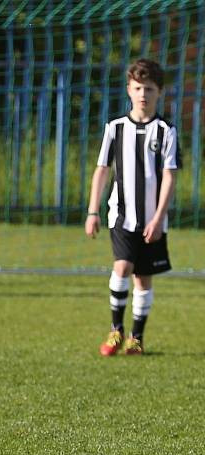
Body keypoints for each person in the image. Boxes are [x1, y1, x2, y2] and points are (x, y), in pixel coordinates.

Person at [86, 58, 180, 356]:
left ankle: (136, 338)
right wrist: (92, 211)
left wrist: (159, 216)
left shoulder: (166, 131)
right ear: (129, 89)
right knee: (122, 266)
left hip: (153, 219)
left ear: (159, 92)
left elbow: (169, 175)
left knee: (143, 276)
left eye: (149, 89)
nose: (143, 94)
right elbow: (102, 169)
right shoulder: (114, 128)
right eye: (138, 88)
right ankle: (116, 330)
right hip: (121, 214)